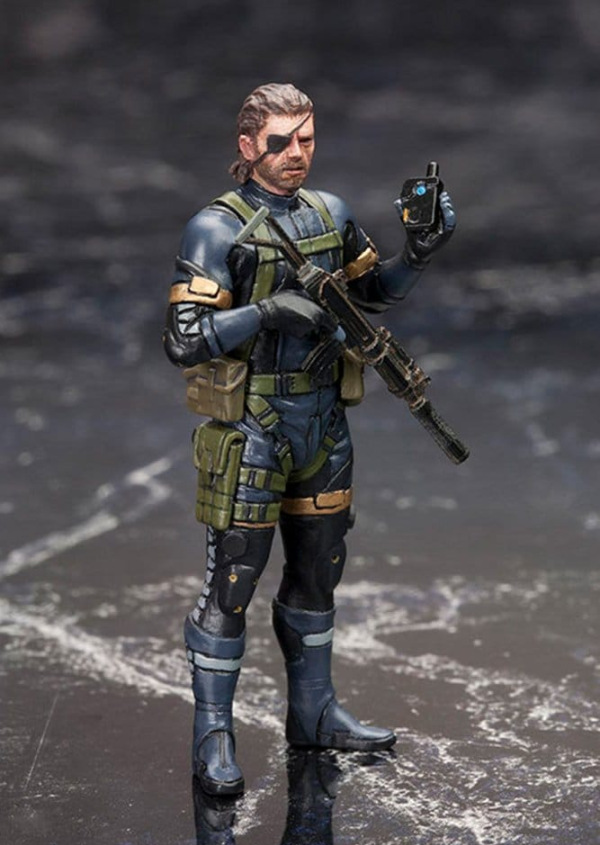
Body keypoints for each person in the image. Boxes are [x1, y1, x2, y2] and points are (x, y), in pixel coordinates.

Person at [163, 83, 455, 796]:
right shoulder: (216, 229)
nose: (296, 153)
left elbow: (371, 295)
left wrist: (418, 252)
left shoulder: (330, 214)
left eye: (307, 138)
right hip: (253, 428)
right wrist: (266, 312)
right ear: (247, 146)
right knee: (233, 581)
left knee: (321, 570)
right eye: (280, 141)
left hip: (323, 423)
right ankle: (213, 733)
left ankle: (315, 713)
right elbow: (184, 339)